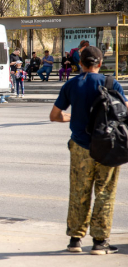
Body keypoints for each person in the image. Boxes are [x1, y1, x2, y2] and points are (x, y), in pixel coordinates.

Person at [49, 46, 127, 255]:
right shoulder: (111, 83)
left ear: (80, 64)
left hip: (81, 147)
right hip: (108, 147)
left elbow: (54, 115)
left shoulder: (72, 84)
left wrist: (71, 118)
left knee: (79, 191)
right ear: (100, 63)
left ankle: (75, 240)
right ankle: (100, 243)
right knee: (105, 192)